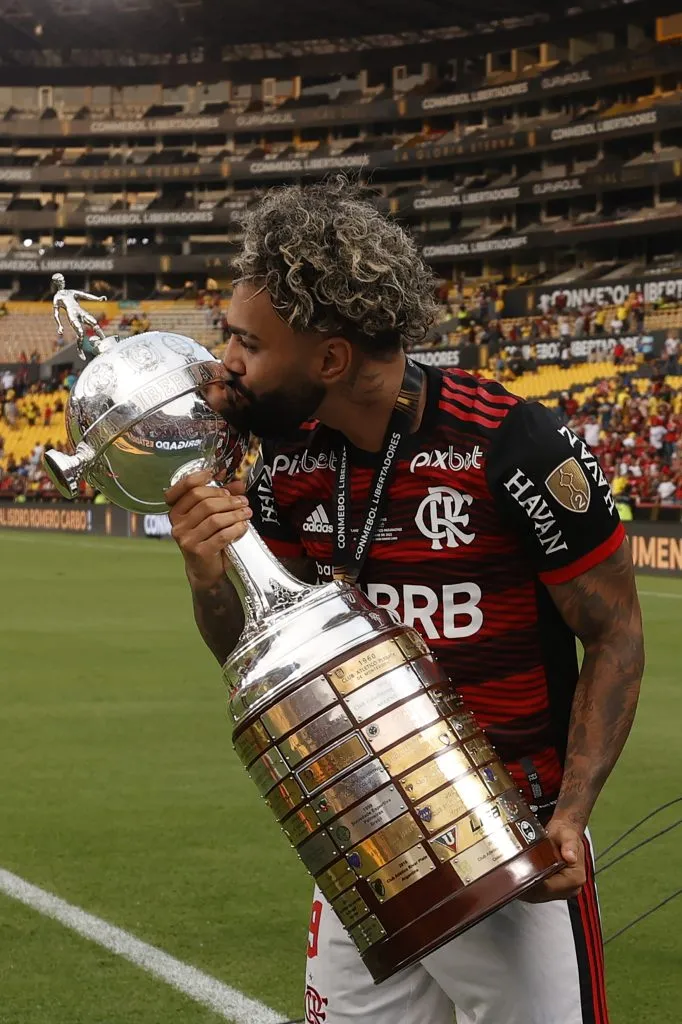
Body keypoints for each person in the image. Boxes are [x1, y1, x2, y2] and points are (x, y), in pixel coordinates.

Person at [165, 179, 644, 1024]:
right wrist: (209, 576)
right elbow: (251, 652)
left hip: (510, 842)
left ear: (332, 360)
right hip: (365, 839)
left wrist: (571, 816)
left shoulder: (513, 445)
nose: (224, 362)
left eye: (246, 342)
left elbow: (614, 634)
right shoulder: (283, 464)